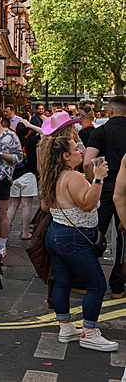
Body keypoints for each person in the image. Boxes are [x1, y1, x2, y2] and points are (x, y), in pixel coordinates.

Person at [40, 136, 118, 352]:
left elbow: (45, 207)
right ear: (65, 156)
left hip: (55, 234)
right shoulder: (72, 176)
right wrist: (99, 178)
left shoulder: (51, 175)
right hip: (74, 238)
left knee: (62, 283)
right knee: (97, 285)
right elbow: (88, 203)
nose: (81, 151)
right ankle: (90, 333)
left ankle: (65, 328)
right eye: (76, 149)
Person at [83, 95, 126, 299]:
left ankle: (86, 280)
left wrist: (94, 183)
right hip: (125, 188)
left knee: (95, 230)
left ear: (110, 111)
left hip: (107, 186)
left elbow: (86, 162)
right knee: (123, 234)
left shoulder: (101, 131)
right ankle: (118, 284)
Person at [0, 107, 23, 257]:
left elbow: (19, 157)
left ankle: (2, 244)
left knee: (1, 213)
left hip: (2, 178)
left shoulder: (10, 136)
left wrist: (0, 154)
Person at [7, 122, 40, 240]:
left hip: (14, 175)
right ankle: (25, 232)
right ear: (28, 131)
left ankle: (4, 231)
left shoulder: (12, 142)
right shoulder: (31, 142)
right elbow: (46, 134)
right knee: (27, 205)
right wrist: (31, 125)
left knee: (13, 205)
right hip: (28, 175)